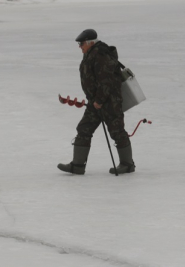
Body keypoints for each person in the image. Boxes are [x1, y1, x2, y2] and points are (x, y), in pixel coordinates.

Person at [58, 29, 135, 175]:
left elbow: (107, 81)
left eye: (81, 43)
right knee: (84, 128)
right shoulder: (90, 54)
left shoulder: (101, 55)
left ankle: (127, 164)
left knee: (117, 131)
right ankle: (78, 165)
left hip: (109, 102)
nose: (79, 46)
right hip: (95, 102)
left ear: (89, 42)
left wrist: (99, 101)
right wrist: (95, 101)